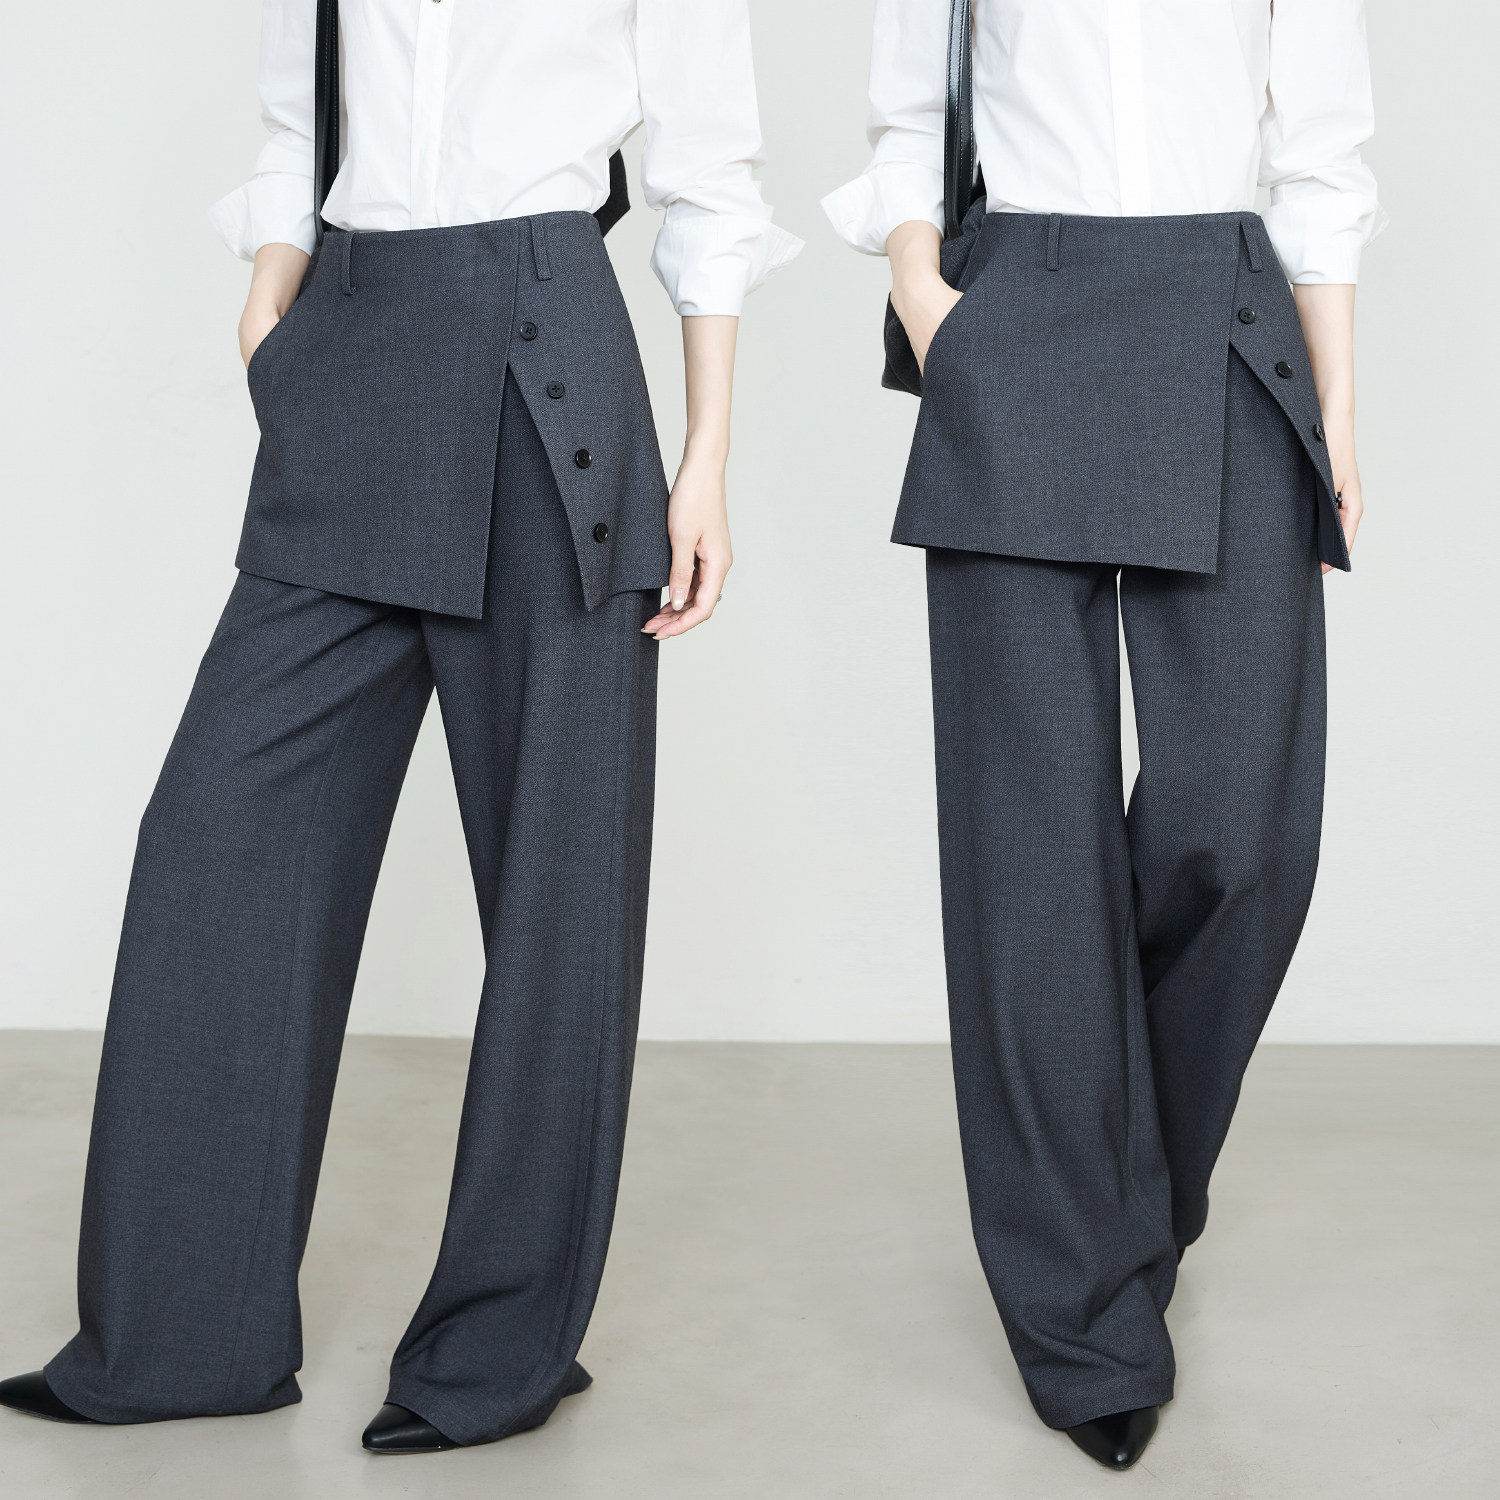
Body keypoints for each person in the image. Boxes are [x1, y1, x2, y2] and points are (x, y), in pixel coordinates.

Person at [0, 0, 798, 1455]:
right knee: (216, 842)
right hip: (350, 346)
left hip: (545, 356)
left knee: (557, 893)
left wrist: (707, 458)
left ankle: (496, 1351)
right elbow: (300, 119)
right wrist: (270, 303)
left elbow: (706, 176)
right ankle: (179, 1336)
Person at [823, 0, 1382, 1472]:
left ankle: (1119, 1196)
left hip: (1226, 308)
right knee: (1030, 856)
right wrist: (932, 304)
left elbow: (1320, 153)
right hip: (1015, 307)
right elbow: (908, 118)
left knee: (1241, 829)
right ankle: (1082, 1315)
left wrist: (1337, 399)